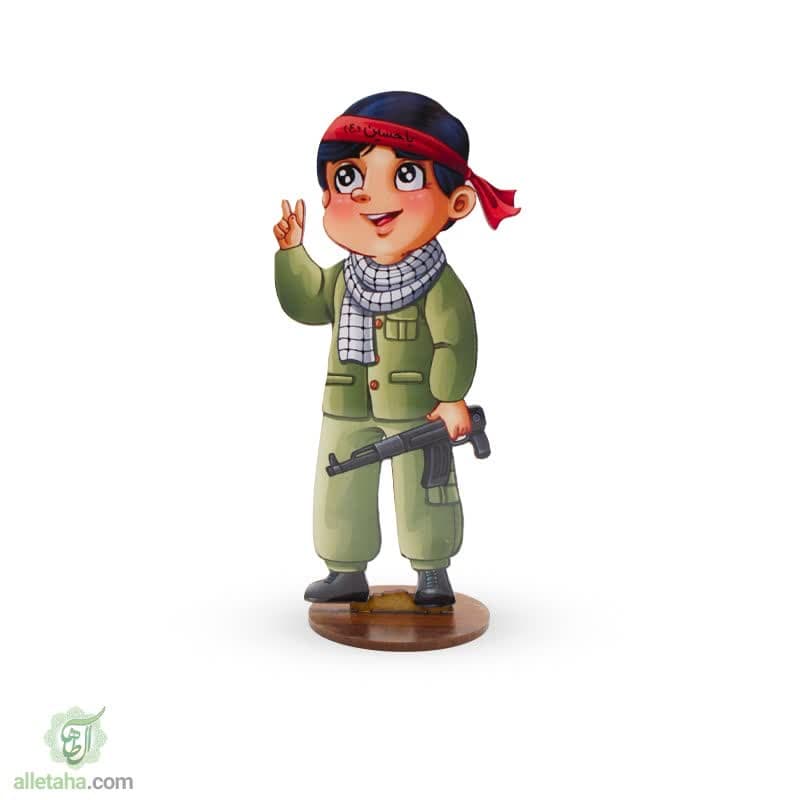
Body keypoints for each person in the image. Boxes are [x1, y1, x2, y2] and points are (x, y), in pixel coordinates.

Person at [273, 91, 518, 606]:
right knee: (340, 486)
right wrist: (292, 254)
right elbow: (309, 302)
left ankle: (432, 569)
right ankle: (344, 568)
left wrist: (450, 397)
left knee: (426, 487)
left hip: (416, 408)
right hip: (348, 401)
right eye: (348, 178)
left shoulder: (437, 283)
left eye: (406, 176)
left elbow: (455, 339)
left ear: (457, 203)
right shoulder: (346, 278)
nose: (369, 196)